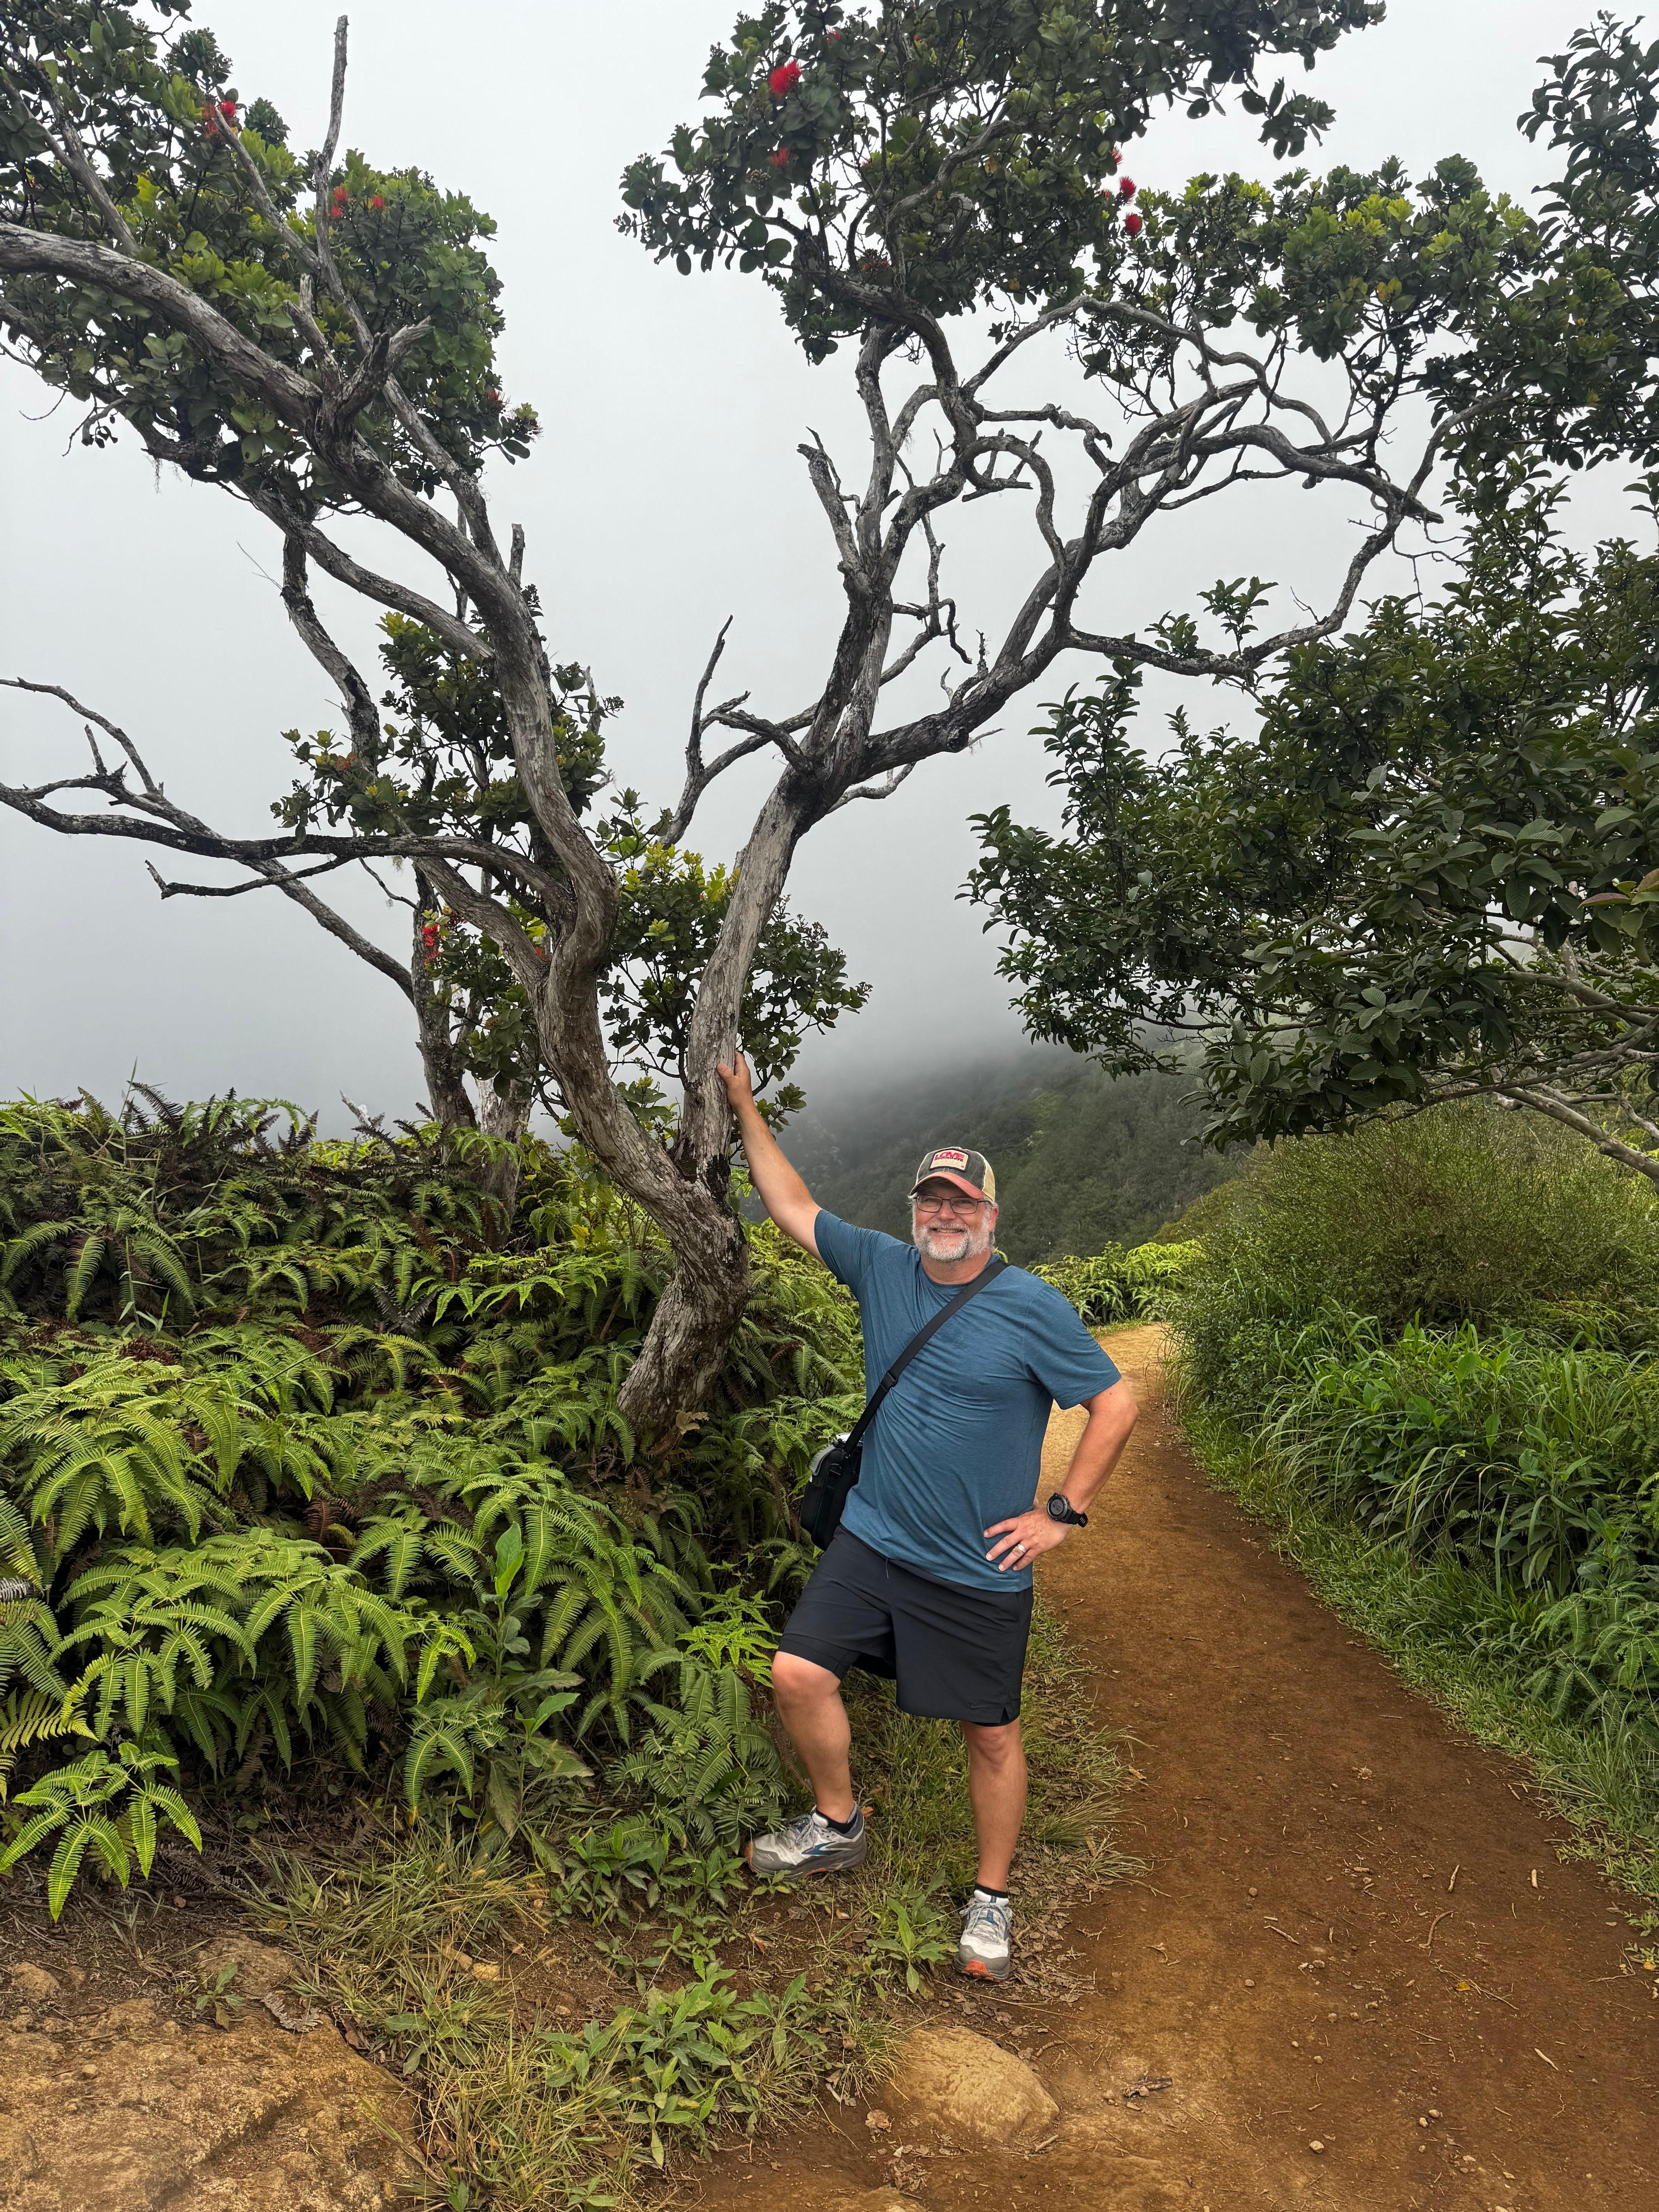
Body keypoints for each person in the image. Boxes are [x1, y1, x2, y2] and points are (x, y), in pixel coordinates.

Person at [716, 1051, 1139, 1983]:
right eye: (931, 1201)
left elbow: (1114, 1404)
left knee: (988, 1734)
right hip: (874, 1536)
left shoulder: (1031, 1306)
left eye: (962, 1202)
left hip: (979, 1566)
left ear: (991, 1215)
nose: (944, 1215)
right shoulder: (882, 1266)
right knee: (795, 1675)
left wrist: (1062, 1514)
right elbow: (790, 1203)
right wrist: (745, 1102)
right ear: (917, 1212)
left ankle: (992, 1898)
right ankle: (837, 1823)